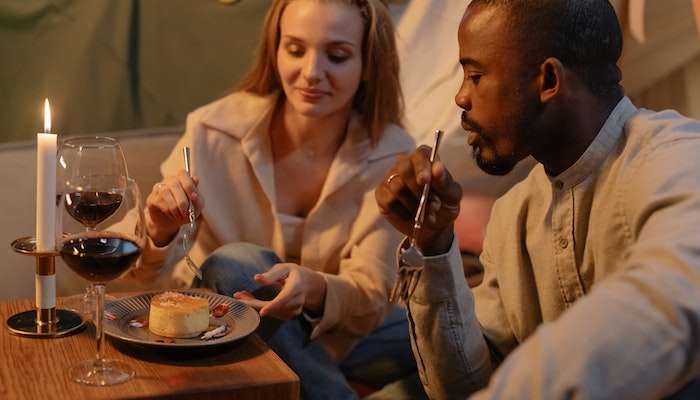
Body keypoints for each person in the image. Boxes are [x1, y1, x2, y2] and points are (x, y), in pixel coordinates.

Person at [375, 0, 700, 398]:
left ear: (548, 79)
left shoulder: (676, 156)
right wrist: (434, 243)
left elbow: (675, 300)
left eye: (475, 75)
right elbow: (462, 388)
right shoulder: (515, 215)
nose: (461, 97)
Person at [126, 0, 418, 398]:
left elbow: (370, 295)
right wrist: (160, 231)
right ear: (274, 49)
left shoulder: (393, 154)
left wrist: (313, 288)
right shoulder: (212, 132)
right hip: (217, 316)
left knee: (446, 332)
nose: (312, 73)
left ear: (368, 64)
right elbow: (140, 278)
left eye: (337, 56)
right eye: (295, 50)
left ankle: (296, 367)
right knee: (238, 263)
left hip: (337, 332)